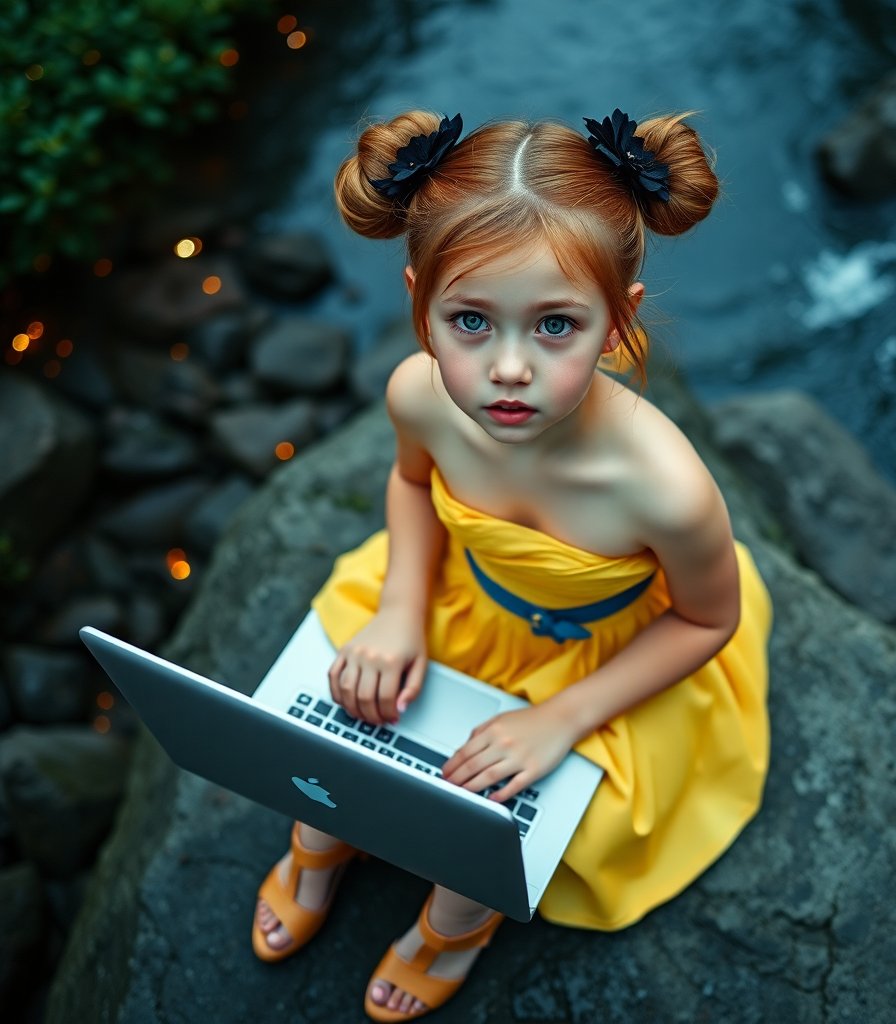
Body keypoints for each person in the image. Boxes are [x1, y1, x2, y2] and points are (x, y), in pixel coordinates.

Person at [251, 108, 772, 1021]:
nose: (509, 370)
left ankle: (453, 923)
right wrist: (403, 605)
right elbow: (413, 489)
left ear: (619, 322)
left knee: (510, 802)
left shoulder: (665, 488)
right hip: (461, 597)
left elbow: (707, 619)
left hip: (605, 655)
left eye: (556, 327)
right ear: (420, 304)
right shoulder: (419, 394)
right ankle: (322, 837)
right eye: (470, 322)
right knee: (349, 699)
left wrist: (562, 718)